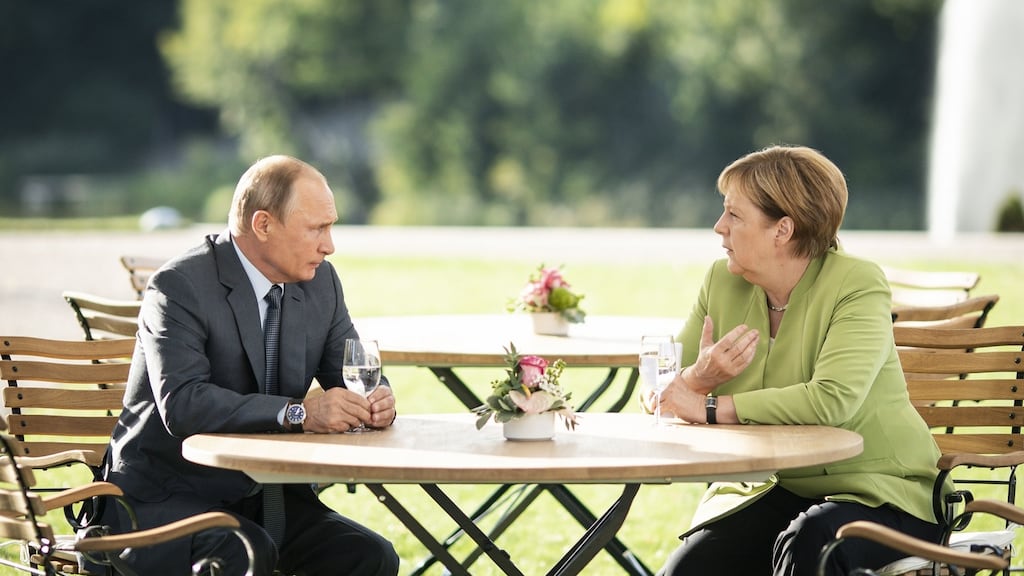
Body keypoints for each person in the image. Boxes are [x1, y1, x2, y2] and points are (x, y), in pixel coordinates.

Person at [652, 145, 950, 575]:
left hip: (885, 494)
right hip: (786, 487)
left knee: (810, 541)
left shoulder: (857, 283)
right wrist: (699, 378)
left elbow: (832, 400)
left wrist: (709, 406)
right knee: (693, 567)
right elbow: (659, 389)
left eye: (734, 216)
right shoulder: (722, 281)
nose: (719, 228)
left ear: (783, 230)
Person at [100, 155, 400, 576]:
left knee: (369, 555)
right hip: (165, 504)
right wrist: (299, 412)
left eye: (330, 227)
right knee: (247, 552)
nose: (329, 245)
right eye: (317, 228)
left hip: (269, 499)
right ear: (263, 225)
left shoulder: (322, 283)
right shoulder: (179, 286)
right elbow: (183, 403)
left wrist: (378, 400)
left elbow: (353, 373)